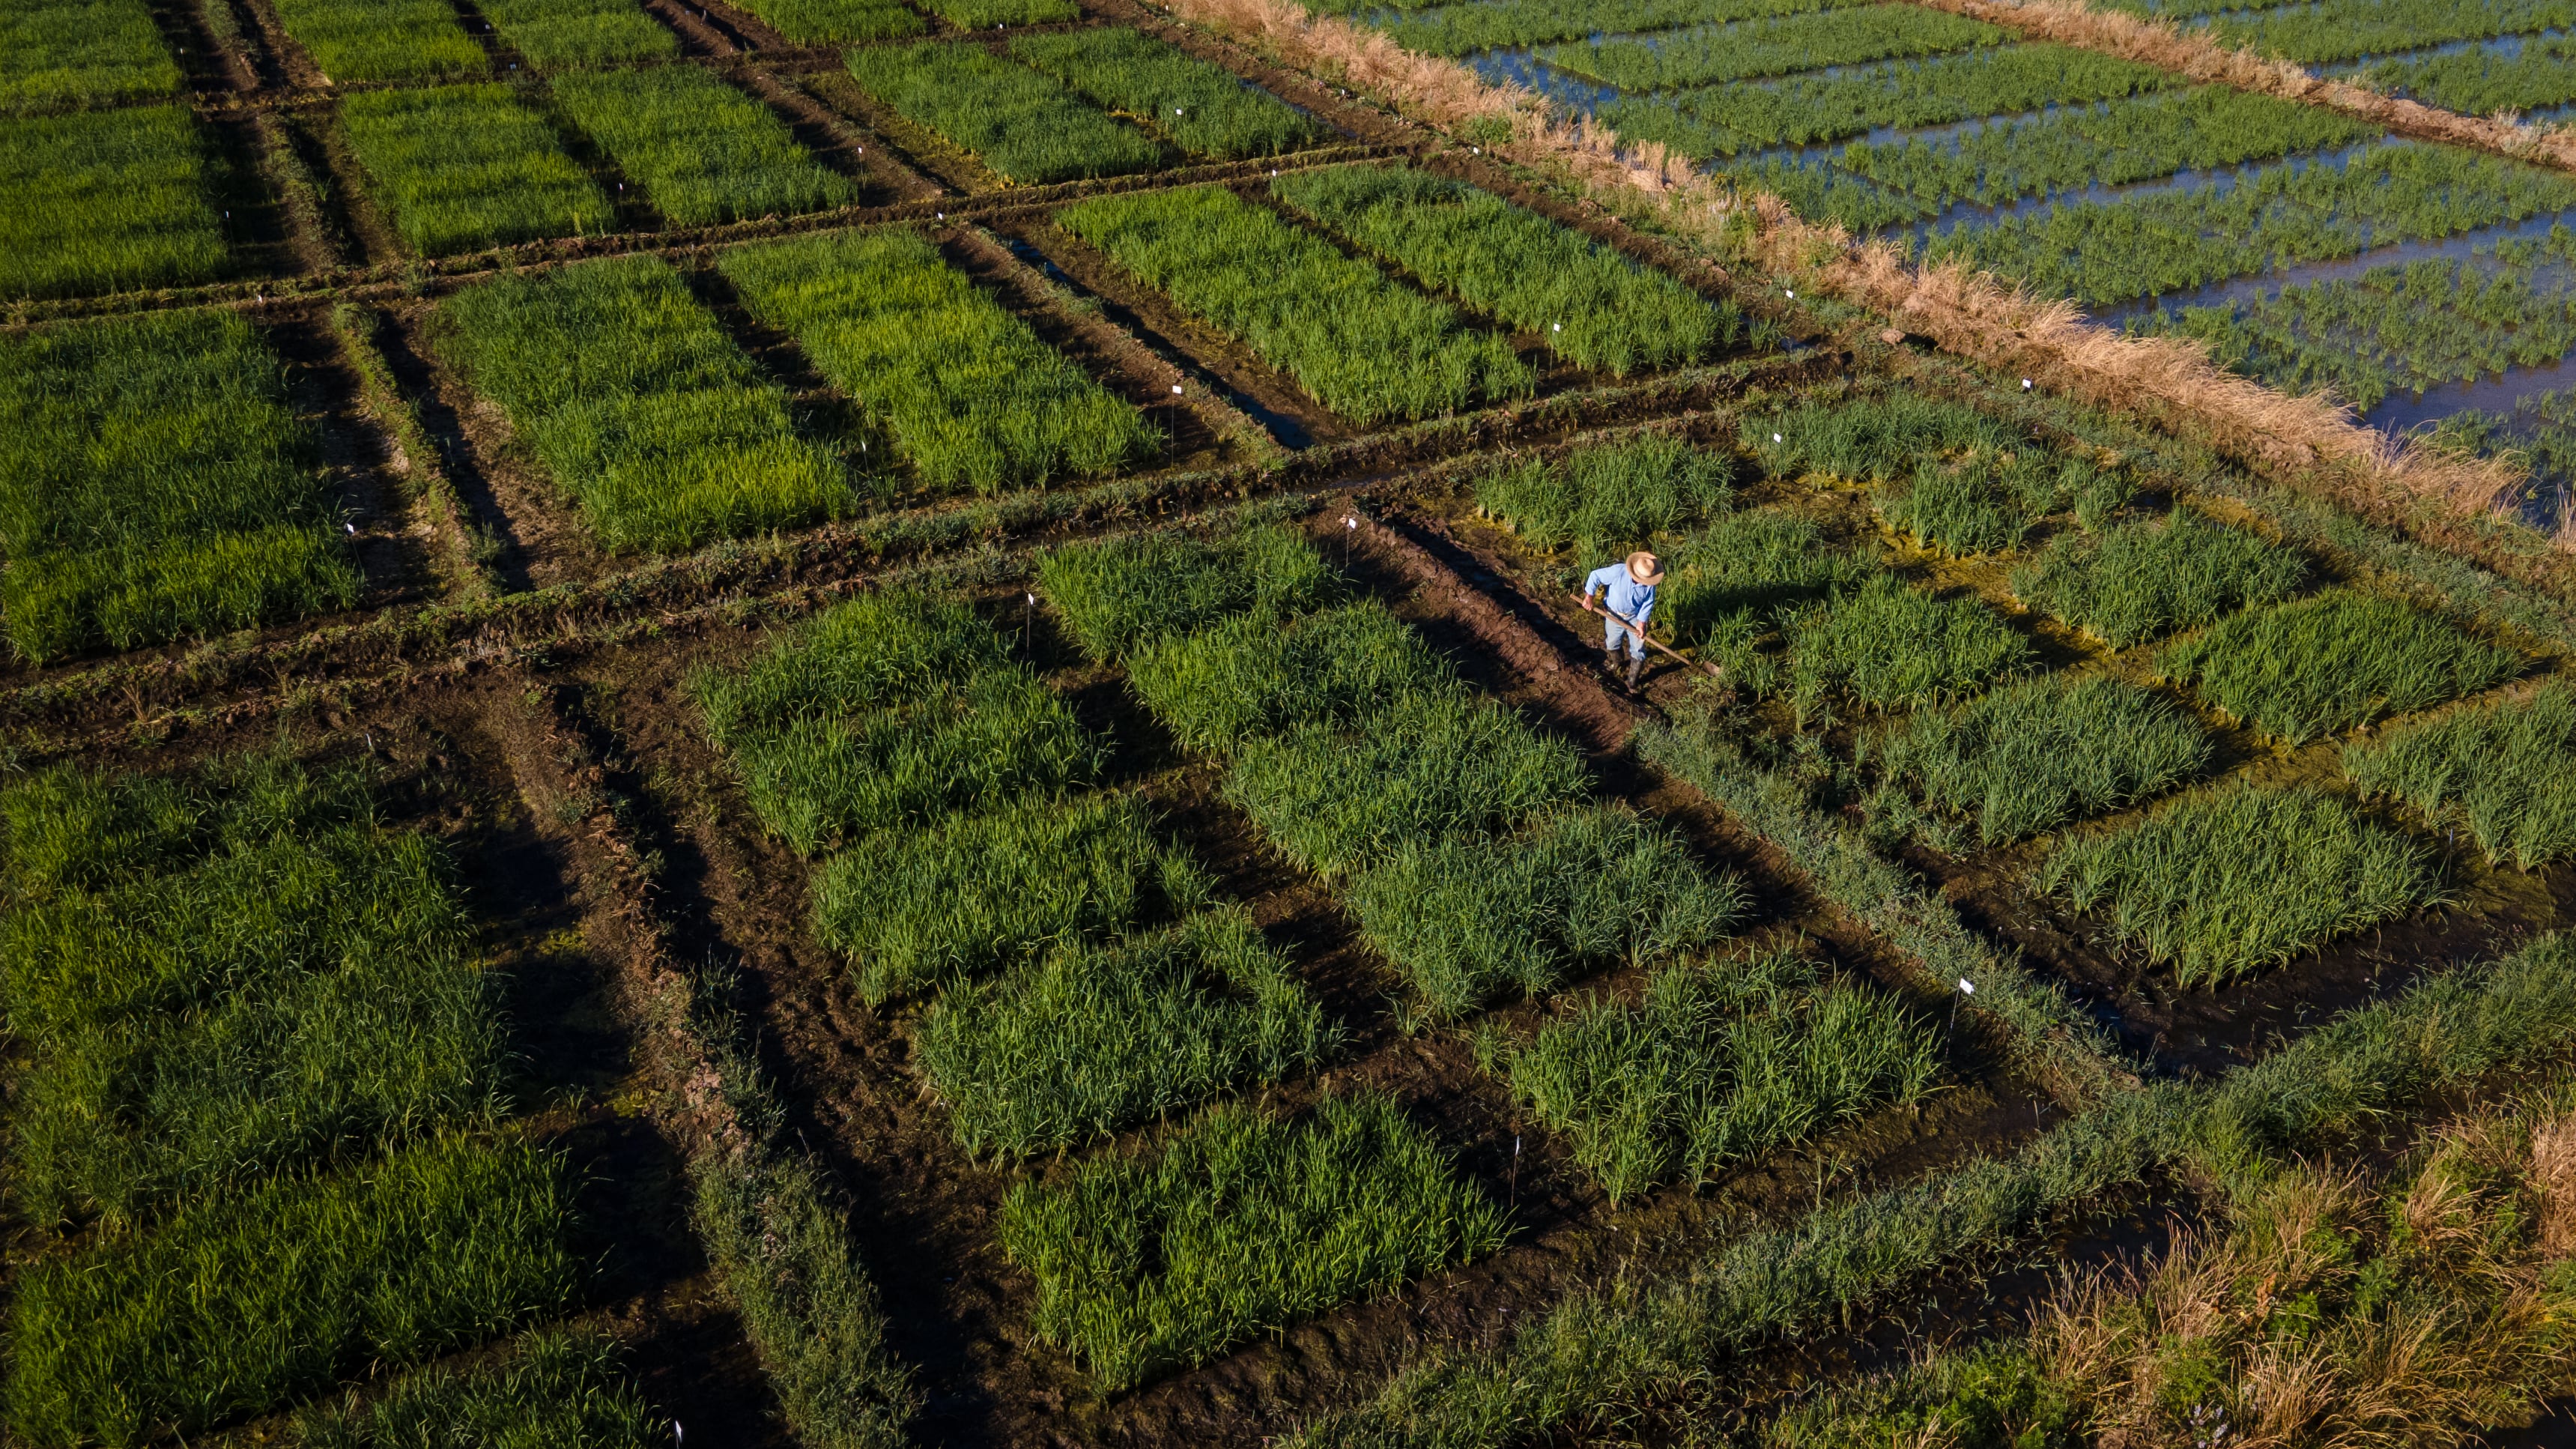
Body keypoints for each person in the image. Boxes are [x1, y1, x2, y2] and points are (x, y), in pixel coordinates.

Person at [1582, 551, 1663, 692]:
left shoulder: (1650, 584)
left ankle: (1632, 681)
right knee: (1612, 643)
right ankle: (1617, 662)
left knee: (1638, 649)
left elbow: (1648, 603)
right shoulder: (1618, 572)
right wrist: (1590, 596)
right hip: (1613, 615)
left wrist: (1642, 623)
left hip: (1634, 617)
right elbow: (1595, 575)